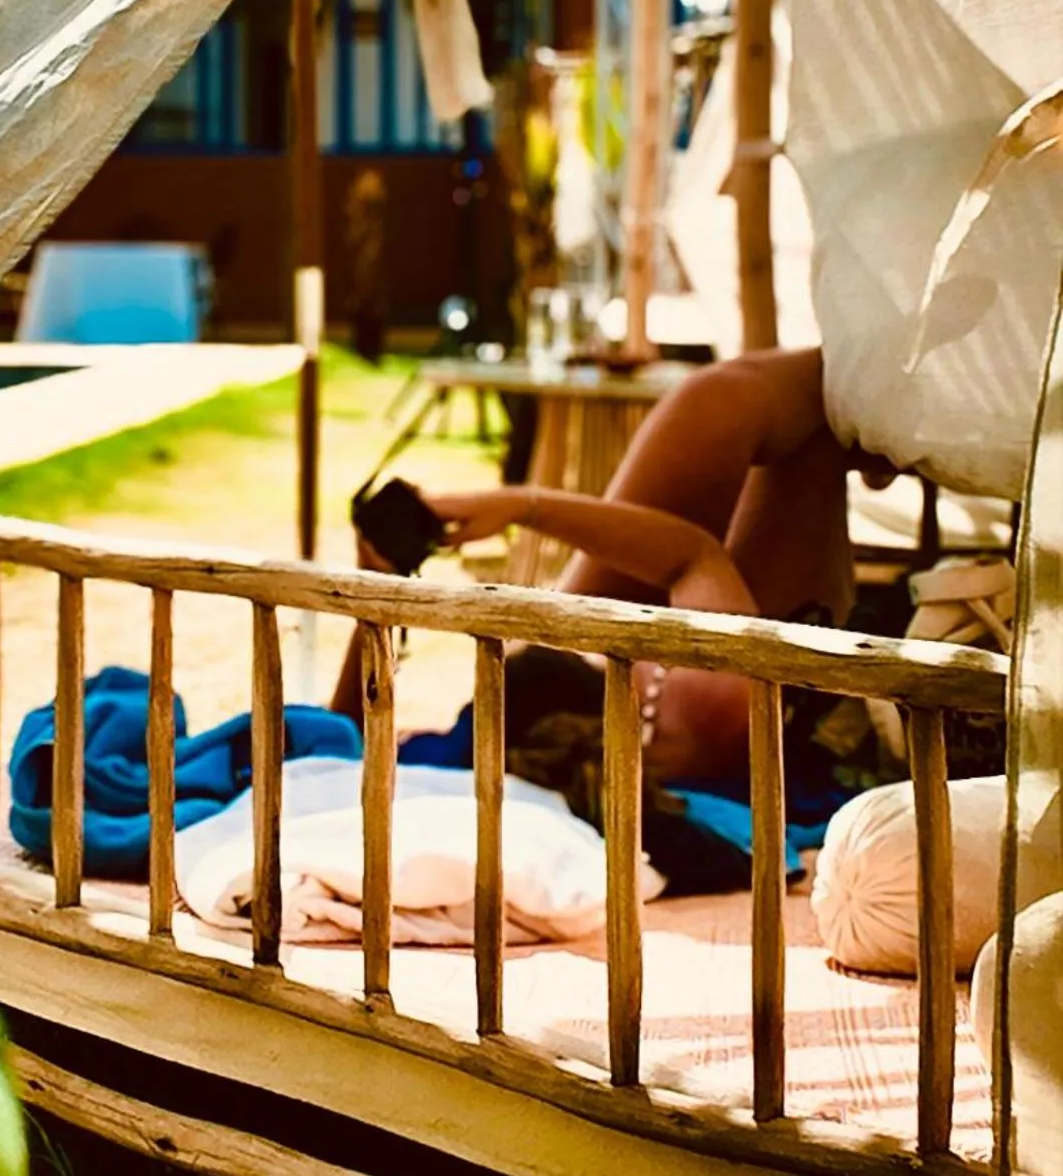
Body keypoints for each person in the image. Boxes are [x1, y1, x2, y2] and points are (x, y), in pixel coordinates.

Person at [333, 349, 916, 885]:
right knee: (733, 412)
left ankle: (860, 430)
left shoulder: (520, 758)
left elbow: (336, 745)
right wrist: (523, 507)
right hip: (789, 712)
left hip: (663, 709)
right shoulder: (696, 703)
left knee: (739, 413)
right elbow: (691, 556)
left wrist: (374, 596)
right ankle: (872, 403)